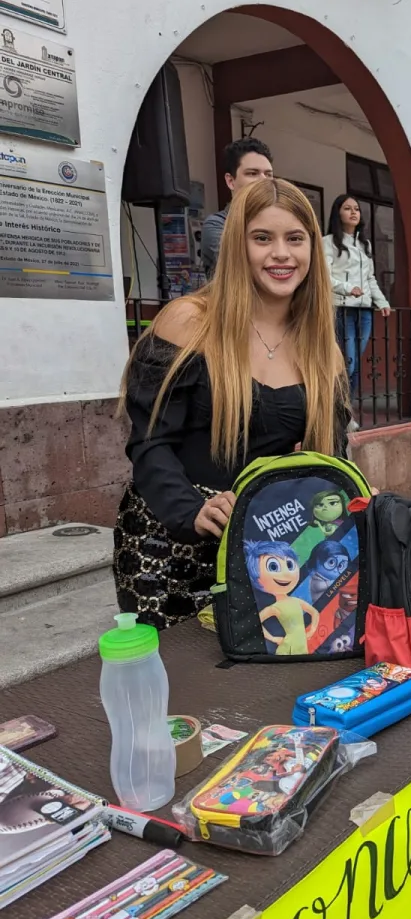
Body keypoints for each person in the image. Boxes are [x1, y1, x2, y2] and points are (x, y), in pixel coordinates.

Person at [114, 178, 349, 630]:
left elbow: (331, 462)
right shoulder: (189, 322)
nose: (281, 253)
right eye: (262, 238)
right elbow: (149, 441)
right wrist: (192, 511)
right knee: (185, 691)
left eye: (295, 239)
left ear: (311, 252)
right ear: (237, 246)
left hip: (270, 553)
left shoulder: (325, 351)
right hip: (171, 547)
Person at [323, 194, 390, 413]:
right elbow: (324, 276)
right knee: (347, 364)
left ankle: (344, 410)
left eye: (357, 209)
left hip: (365, 311)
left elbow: (370, 278)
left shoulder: (365, 244)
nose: (353, 212)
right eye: (347, 208)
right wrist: (347, 288)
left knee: (355, 365)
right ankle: (336, 408)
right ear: (337, 212)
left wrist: (381, 302)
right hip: (343, 309)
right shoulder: (329, 242)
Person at [200, 137, 274, 275]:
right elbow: (243, 270)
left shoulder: (281, 221)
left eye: (268, 174)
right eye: (253, 173)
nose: (263, 181)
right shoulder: (218, 225)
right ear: (230, 181)